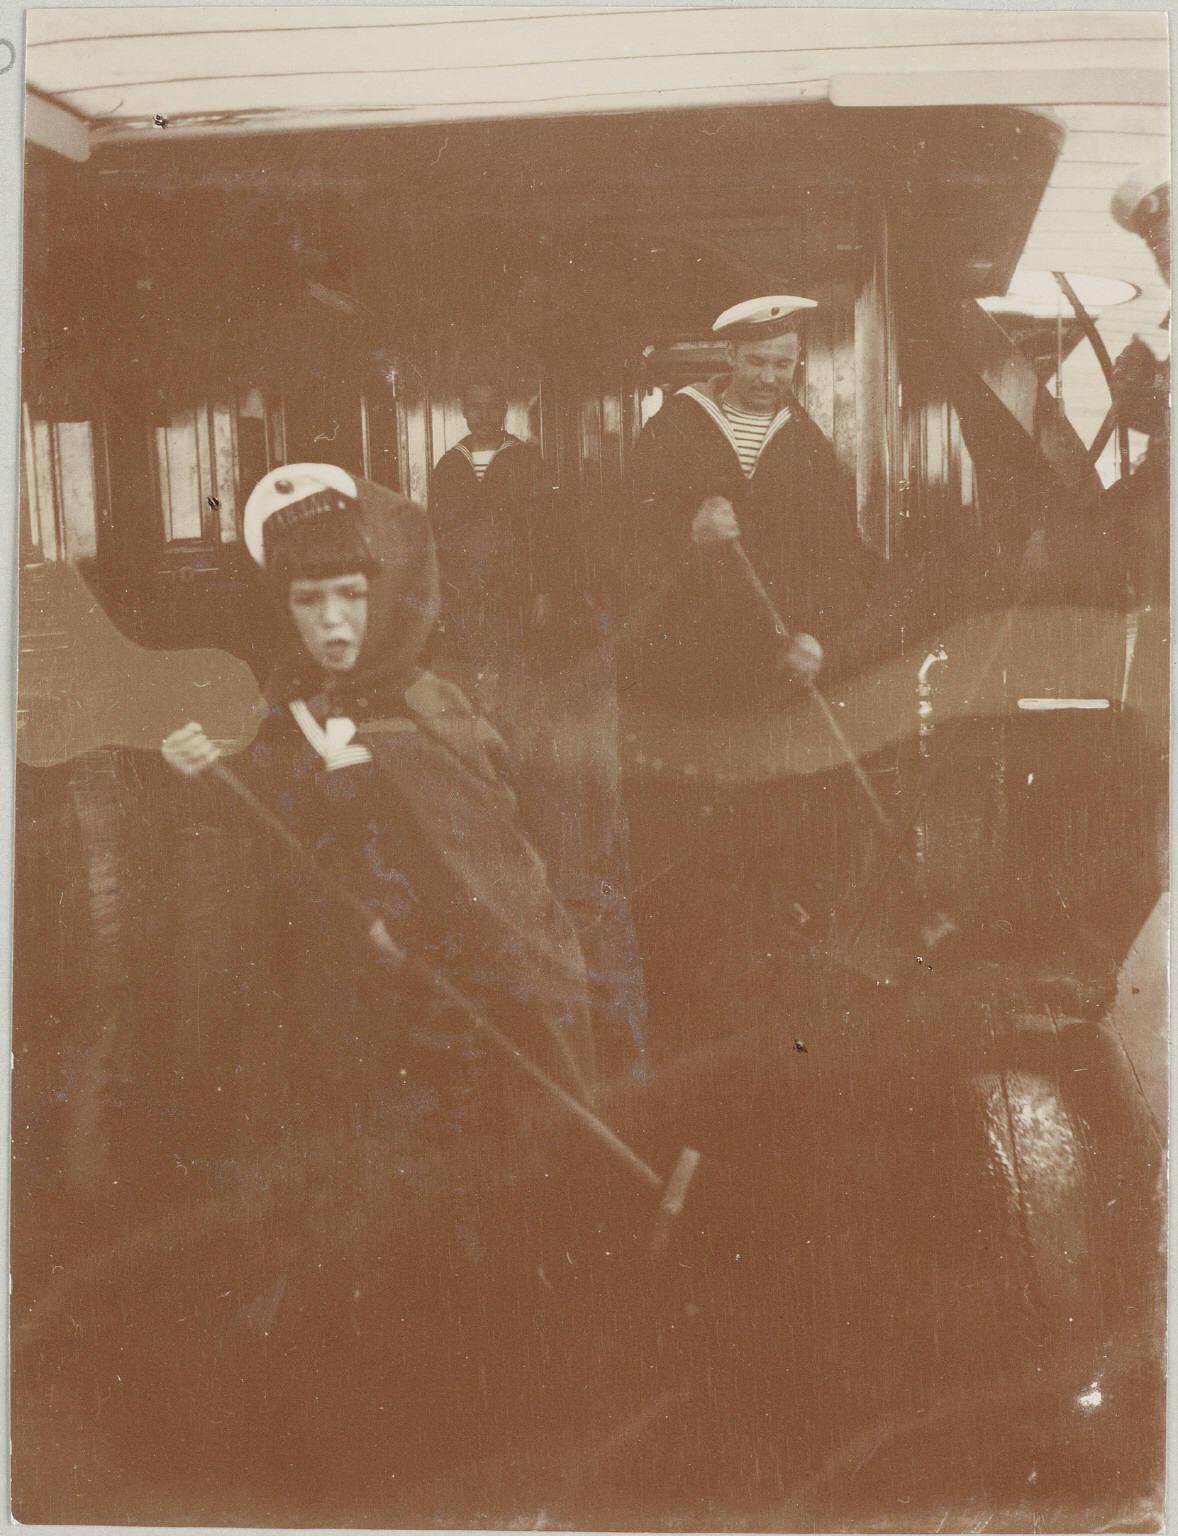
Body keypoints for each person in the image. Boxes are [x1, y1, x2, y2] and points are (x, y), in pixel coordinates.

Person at [162, 462, 598, 1111]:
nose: (332, 622)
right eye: (307, 600)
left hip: (449, 1014)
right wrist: (206, 771)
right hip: (332, 1008)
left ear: (388, 592)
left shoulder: (431, 713)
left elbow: (497, 893)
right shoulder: (290, 710)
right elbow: (272, 819)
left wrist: (415, 930)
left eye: (351, 594)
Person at [626, 295, 883, 710]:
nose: (768, 377)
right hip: (683, 657)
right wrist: (689, 531)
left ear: (797, 361)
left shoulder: (809, 443)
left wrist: (817, 635)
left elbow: (838, 554)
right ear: (731, 355)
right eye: (756, 361)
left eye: (782, 364)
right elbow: (625, 531)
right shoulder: (673, 427)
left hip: (777, 661)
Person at [428, 377, 561, 690]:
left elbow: (545, 533)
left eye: (491, 407)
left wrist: (542, 591)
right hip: (464, 593)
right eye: (475, 407)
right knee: (468, 675)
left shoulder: (526, 461)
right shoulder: (449, 465)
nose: (484, 416)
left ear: (503, 410)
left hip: (514, 592)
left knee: (514, 675)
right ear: (464, 411)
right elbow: (436, 535)